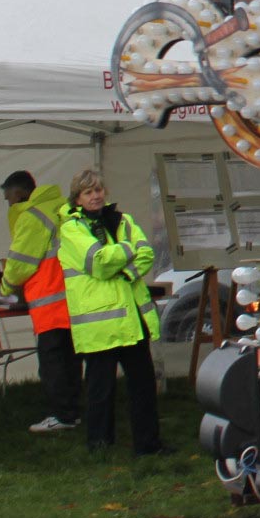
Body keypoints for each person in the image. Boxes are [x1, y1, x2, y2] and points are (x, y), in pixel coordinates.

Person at [58, 168, 163, 457]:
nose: (95, 196)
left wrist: (125, 271)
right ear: (77, 198)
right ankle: (100, 447)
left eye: (98, 190)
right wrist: (127, 248)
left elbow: (146, 253)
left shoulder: (122, 220)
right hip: (100, 324)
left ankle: (148, 445)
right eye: (88, 192)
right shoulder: (71, 229)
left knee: (143, 386)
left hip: (131, 320)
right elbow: (99, 263)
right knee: (100, 390)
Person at [0, 170, 80, 434]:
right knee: (71, 360)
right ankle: (74, 412)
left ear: (19, 193)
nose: (9, 203)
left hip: (49, 301)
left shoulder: (32, 217)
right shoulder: (62, 207)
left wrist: (4, 288)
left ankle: (62, 416)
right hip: (75, 297)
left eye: (9, 198)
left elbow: (20, 264)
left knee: (52, 364)